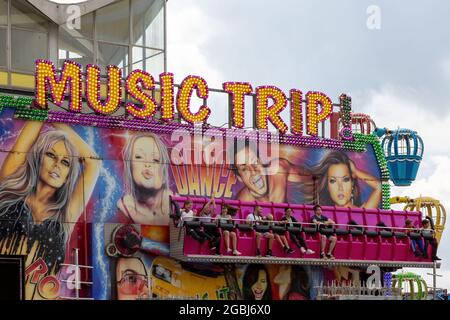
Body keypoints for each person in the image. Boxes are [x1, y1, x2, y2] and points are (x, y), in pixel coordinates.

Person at [0, 121, 100, 272]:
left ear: (68, 176)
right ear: (37, 158)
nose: (57, 165)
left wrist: (56, 119)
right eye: (51, 155)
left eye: (66, 162)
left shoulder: (66, 214)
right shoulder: (9, 189)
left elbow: (94, 163)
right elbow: (36, 117)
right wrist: (49, 114)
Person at [117, 132, 172, 226]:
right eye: (139, 157)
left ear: (163, 170)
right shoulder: (123, 207)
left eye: (155, 159)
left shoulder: (176, 203)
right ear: (130, 166)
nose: (147, 164)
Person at [232, 140, 308, 202]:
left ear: (261, 161)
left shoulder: (279, 170)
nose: (253, 172)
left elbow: (313, 180)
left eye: (255, 161)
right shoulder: (242, 201)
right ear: (239, 177)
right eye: (244, 169)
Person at [307, 151, 381, 208]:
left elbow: (379, 187)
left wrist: (356, 172)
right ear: (327, 187)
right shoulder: (322, 215)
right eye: (333, 181)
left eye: (345, 180)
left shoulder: (362, 213)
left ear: (352, 184)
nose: (340, 187)